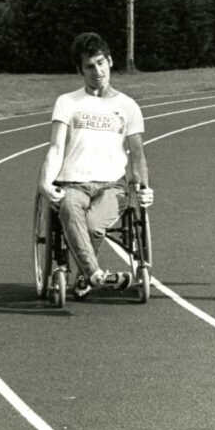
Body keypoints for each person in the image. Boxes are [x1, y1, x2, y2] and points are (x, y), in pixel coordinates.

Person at [39, 32, 154, 298]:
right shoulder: (67, 102)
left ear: (110, 61)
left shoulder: (128, 106)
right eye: (90, 66)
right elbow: (56, 147)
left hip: (112, 186)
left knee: (92, 225)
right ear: (80, 70)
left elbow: (137, 155)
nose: (97, 71)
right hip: (73, 183)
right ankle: (95, 275)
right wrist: (45, 182)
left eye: (101, 62)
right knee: (68, 207)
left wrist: (145, 187)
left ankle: (88, 273)